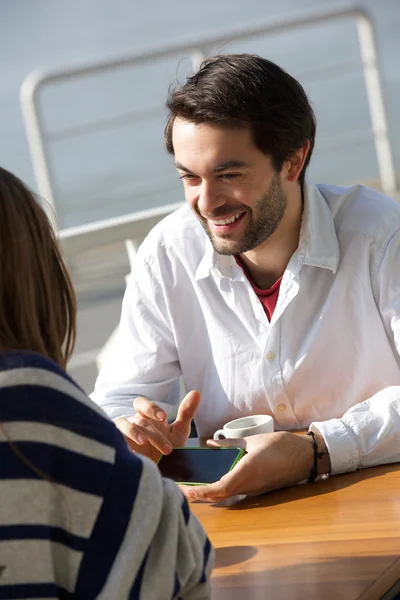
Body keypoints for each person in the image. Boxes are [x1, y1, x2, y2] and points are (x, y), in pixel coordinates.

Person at [91, 53, 400, 502]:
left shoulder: (382, 237)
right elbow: (118, 400)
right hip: (243, 529)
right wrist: (133, 433)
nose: (207, 202)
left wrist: (316, 449)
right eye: (189, 178)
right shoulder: (167, 253)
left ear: (294, 161)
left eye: (228, 174)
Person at [0, 167, 213, 598]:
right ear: (38, 277)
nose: (205, 201)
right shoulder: (28, 402)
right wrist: (135, 475)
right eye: (189, 178)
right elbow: (179, 566)